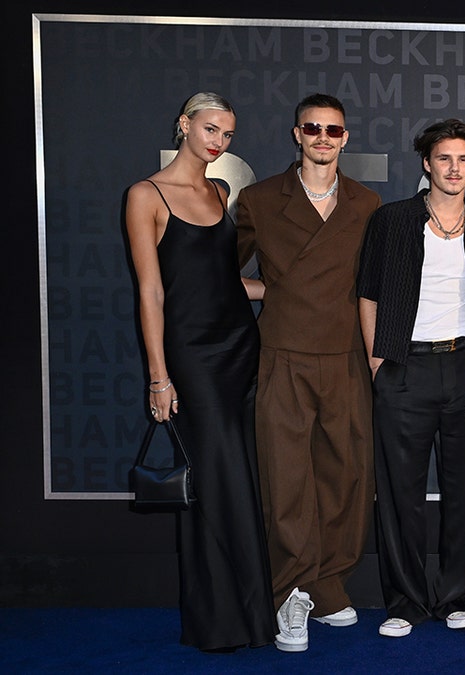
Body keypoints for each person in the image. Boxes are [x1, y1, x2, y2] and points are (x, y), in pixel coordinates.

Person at [125, 92, 275, 652]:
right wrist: (159, 376)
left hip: (241, 346)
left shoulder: (221, 191)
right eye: (210, 129)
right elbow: (152, 290)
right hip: (191, 356)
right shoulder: (146, 195)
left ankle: (251, 613)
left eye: (228, 135)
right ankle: (221, 621)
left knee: (238, 477)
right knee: (216, 480)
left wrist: (289, 291)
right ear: (184, 125)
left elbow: (223, 280)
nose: (219, 142)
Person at [235, 93, 382, 652]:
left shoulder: (367, 203)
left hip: (346, 354)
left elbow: (379, 282)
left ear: (346, 138)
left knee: (346, 477)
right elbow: (219, 273)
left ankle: (326, 582)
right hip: (285, 353)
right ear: (297, 134)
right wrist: (277, 291)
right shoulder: (259, 199)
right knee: (287, 476)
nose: (324, 137)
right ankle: (290, 592)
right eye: (313, 128)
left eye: (334, 130)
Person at [357, 119, 465, 639]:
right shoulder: (392, 221)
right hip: (404, 368)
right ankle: (406, 601)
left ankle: (458, 595)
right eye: (444, 158)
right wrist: (379, 364)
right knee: (400, 493)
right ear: (426, 163)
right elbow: (368, 294)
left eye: (463, 160)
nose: (454, 169)